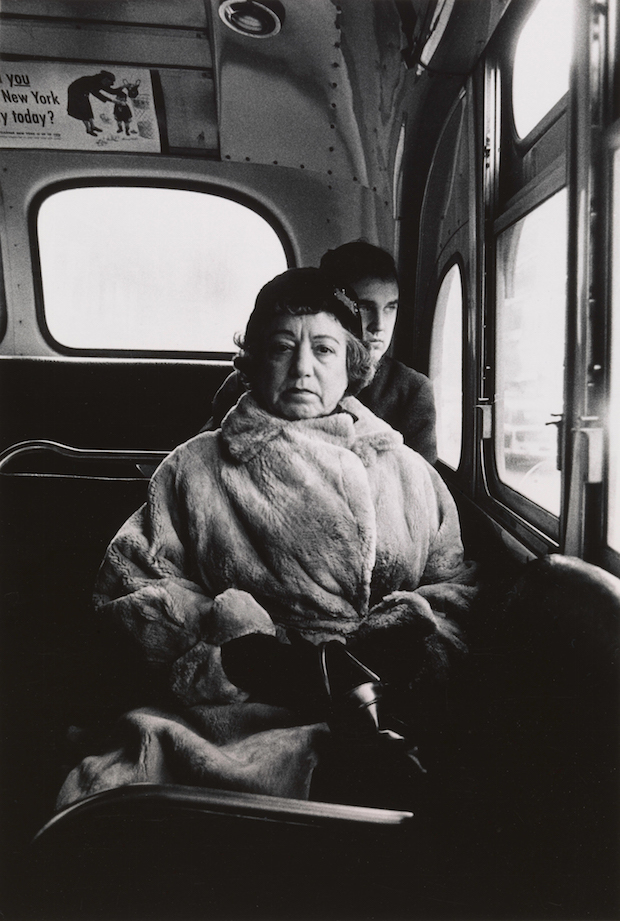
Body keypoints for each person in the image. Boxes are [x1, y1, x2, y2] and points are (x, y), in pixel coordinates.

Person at [57, 268, 475, 810]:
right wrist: (244, 657)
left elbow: (458, 587)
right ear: (253, 363)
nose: (303, 367)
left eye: (324, 350)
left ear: (351, 366)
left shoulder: (406, 470)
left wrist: (402, 641)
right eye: (282, 348)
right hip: (232, 711)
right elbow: (130, 586)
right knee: (128, 799)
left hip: (381, 701)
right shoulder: (195, 467)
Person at [205, 242, 437, 463]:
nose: (379, 325)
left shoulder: (411, 392)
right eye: (364, 307)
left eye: (390, 308)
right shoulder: (247, 383)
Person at [67, 70, 122, 136]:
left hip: (83, 92)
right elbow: (97, 94)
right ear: (105, 79)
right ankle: (88, 129)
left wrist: (124, 87)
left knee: (88, 108)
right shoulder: (93, 81)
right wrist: (112, 101)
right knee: (83, 110)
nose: (110, 84)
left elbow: (111, 91)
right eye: (110, 82)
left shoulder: (100, 82)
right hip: (75, 92)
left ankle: (92, 126)